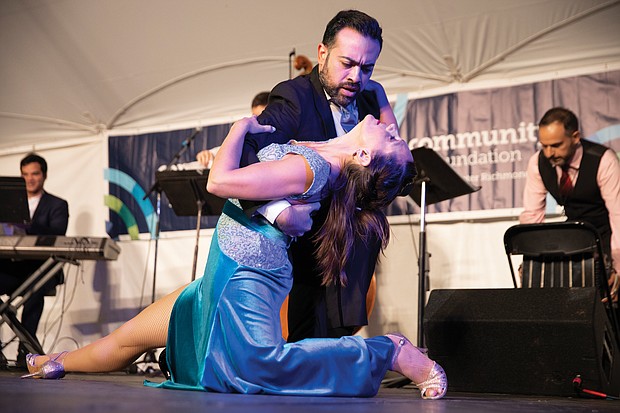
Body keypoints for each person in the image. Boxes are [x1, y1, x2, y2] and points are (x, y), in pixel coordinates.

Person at [23, 114, 446, 399]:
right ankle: (51, 362)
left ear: (365, 156)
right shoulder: (327, 151)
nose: (392, 128)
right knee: (129, 339)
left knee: (261, 367)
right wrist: (277, 209)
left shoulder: (314, 167)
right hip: (224, 270)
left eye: (392, 139)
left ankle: (388, 351)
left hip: (246, 275)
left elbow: (219, 182)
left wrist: (238, 128)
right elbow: (260, 190)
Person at [242, 9, 398, 342]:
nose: (357, 77)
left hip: (350, 254)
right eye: (347, 64)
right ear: (322, 54)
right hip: (306, 248)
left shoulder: (371, 97)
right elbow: (247, 151)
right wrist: (278, 211)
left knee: (336, 349)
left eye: (367, 68)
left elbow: (396, 166)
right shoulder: (293, 97)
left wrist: (383, 102)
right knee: (306, 345)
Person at [520, 107, 620, 293]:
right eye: (544, 145)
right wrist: (529, 261)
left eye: (556, 145)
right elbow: (532, 215)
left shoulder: (603, 160)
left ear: (575, 137)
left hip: (608, 234)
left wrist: (618, 269)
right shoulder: (537, 162)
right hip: (576, 236)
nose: (549, 153)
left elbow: (618, 216)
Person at [0, 153, 69, 368]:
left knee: (34, 292)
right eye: (25, 175)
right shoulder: (6, 204)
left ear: (44, 176)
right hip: (12, 268)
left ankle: (26, 352)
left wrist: (24, 224)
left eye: (35, 174)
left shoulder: (57, 204)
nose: (30, 179)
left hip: (40, 269)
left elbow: (57, 234)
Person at [195, 91, 270, 168]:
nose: (257, 121)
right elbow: (226, 151)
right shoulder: (248, 137)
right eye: (255, 117)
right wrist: (207, 154)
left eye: (262, 117)